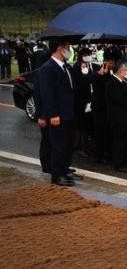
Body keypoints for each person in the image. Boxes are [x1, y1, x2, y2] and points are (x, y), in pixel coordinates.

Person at [35, 38, 79, 186]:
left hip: (69, 113)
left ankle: (65, 169)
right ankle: (56, 174)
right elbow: (47, 94)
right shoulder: (48, 68)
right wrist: (52, 114)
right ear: (61, 48)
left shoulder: (65, 66)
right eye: (68, 47)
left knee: (68, 143)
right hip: (58, 115)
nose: (70, 50)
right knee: (58, 145)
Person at [106, 62, 127, 172]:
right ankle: (118, 163)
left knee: (125, 141)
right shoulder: (112, 83)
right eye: (126, 70)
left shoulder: (123, 83)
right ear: (120, 71)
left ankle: (124, 161)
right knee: (119, 141)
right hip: (118, 118)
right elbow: (120, 100)